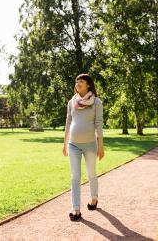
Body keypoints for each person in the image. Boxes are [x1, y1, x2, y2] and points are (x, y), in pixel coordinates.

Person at [63, 73, 104, 221]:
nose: (78, 83)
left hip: (90, 145)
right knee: (75, 176)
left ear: (88, 85)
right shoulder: (71, 102)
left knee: (91, 172)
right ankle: (76, 209)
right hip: (73, 144)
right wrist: (64, 144)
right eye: (76, 81)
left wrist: (101, 146)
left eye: (81, 81)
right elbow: (68, 123)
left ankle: (94, 198)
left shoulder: (96, 102)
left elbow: (99, 124)